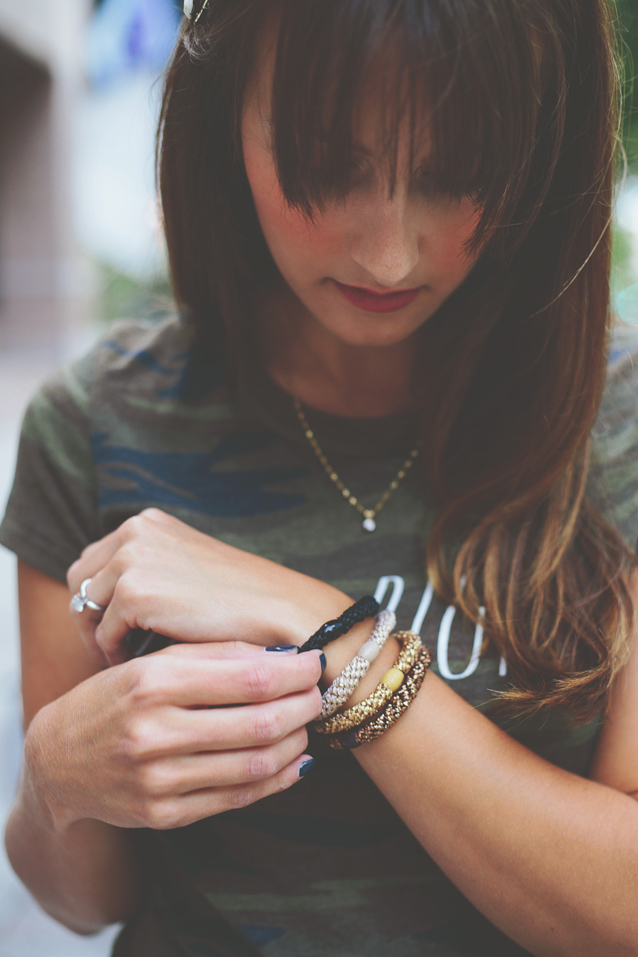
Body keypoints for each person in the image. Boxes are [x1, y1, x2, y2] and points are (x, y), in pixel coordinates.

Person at [2, 0, 638, 954]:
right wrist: (55, 782)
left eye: (458, 170)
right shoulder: (95, 424)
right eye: (330, 163)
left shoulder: (618, 423)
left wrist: (339, 644)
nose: (387, 251)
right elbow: (87, 901)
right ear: (224, 116)